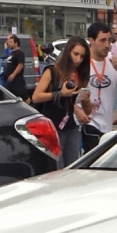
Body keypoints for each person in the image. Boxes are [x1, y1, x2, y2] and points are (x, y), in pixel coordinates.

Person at [31, 37, 92, 165]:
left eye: (82, 56)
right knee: (56, 167)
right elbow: (36, 96)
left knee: (72, 166)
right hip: (52, 126)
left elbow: (88, 110)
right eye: (75, 54)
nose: (78, 60)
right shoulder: (52, 70)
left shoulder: (79, 74)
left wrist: (85, 99)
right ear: (67, 52)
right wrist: (60, 94)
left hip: (71, 126)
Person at [83, 21, 117, 151]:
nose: (107, 45)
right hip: (86, 124)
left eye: (109, 40)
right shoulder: (83, 62)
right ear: (91, 40)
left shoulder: (113, 61)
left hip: (107, 127)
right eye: (102, 40)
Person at [2, 34, 26, 98]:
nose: (9, 44)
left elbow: (20, 65)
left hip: (17, 80)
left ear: (16, 43)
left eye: (11, 42)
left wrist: (13, 74)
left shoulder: (19, 53)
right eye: (8, 42)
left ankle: (29, 106)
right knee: (8, 96)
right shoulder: (11, 53)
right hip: (9, 80)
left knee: (23, 97)